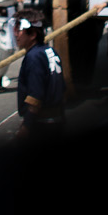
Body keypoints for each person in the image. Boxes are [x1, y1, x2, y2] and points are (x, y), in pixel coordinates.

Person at [12, 7, 65, 138]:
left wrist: (26, 126)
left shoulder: (33, 57)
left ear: (33, 34)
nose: (16, 34)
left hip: (43, 125)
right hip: (57, 118)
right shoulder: (49, 51)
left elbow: (35, 96)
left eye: (19, 30)